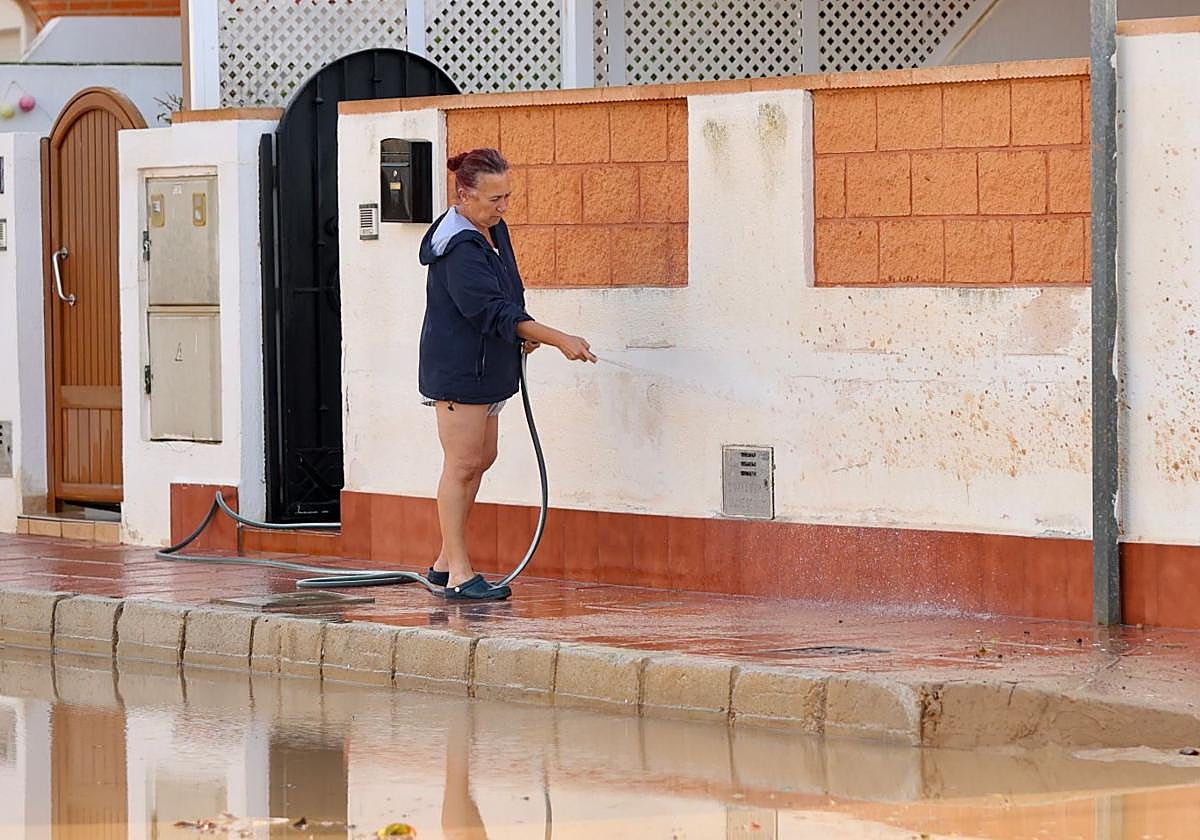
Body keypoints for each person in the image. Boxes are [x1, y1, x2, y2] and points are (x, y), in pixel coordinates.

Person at [418, 147, 596, 601]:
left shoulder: (492, 231)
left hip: (489, 365)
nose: (503, 207)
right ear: (464, 195)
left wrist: (523, 329)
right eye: (494, 199)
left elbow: (507, 298)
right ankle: (459, 573)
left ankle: (442, 563)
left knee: (482, 459)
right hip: (460, 370)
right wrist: (558, 338)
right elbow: (486, 308)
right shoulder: (457, 246)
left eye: (507, 197)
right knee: (460, 466)